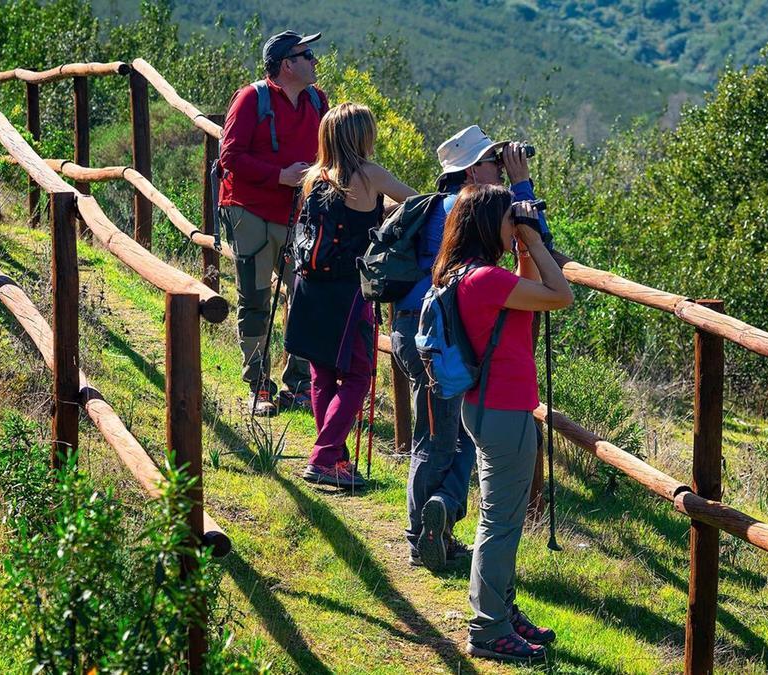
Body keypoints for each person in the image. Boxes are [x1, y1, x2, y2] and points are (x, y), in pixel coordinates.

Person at [391, 125, 549, 571]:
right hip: (440, 336)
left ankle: (437, 516)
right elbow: (543, 248)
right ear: (469, 172)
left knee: (453, 435)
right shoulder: (459, 209)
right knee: (440, 438)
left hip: (424, 328)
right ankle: (423, 532)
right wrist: (522, 188)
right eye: (492, 162)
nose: (499, 167)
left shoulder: (450, 207)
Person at [429, 184, 571, 663]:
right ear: (492, 224)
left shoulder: (464, 275)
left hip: (489, 407)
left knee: (499, 517)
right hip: (503, 411)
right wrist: (533, 238)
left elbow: (528, 293)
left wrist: (523, 245)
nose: (516, 226)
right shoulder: (485, 280)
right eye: (510, 220)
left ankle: (502, 611)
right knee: (501, 523)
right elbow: (560, 295)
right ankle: (489, 629)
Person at [284, 103, 416, 488]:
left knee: (322, 375)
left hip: (309, 288)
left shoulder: (313, 176)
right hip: (349, 293)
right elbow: (419, 202)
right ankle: (325, 458)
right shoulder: (369, 173)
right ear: (362, 136)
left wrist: (379, 206)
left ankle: (336, 458)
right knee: (358, 375)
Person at [218, 29, 328, 417]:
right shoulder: (251, 98)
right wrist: (279, 176)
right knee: (255, 297)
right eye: (307, 54)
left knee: (305, 297)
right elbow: (230, 156)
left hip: (299, 215)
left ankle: (297, 385)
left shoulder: (318, 101)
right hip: (249, 209)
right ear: (287, 64)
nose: (315, 60)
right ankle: (258, 385)